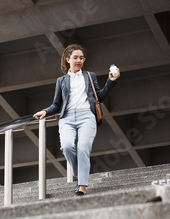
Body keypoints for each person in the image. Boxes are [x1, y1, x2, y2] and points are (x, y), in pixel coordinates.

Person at [33, 44, 120, 196]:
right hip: (67, 118)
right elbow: (56, 105)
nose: (79, 60)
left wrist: (110, 81)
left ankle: (82, 186)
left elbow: (99, 97)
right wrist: (45, 111)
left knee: (83, 148)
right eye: (75, 58)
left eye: (81, 58)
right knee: (67, 147)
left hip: (87, 116)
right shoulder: (61, 81)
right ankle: (80, 171)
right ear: (68, 60)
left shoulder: (89, 76)